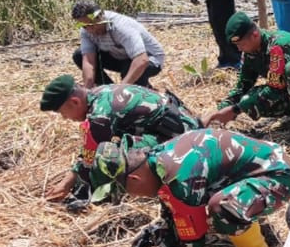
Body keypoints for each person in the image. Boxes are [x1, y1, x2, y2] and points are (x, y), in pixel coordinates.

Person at [90, 128, 290, 247]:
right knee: (206, 208)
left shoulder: (181, 178)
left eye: (127, 192)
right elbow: (172, 220)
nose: (133, 196)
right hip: (249, 173)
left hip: (276, 176)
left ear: (134, 179)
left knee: (223, 209)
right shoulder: (157, 164)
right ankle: (246, 215)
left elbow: (193, 241)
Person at [39, 75, 201, 204]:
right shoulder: (99, 93)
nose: (65, 118)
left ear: (75, 102)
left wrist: (67, 186)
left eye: (63, 113)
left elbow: (91, 157)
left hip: (183, 139)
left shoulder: (100, 115)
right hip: (179, 126)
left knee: (112, 157)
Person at [202, 12, 290, 142]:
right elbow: (243, 85)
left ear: (255, 35)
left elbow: (277, 89)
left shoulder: (279, 45)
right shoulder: (251, 53)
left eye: (242, 44)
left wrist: (237, 109)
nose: (239, 49)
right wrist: (220, 111)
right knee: (253, 97)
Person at [70, 0, 165, 88]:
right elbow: (89, 62)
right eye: (85, 26)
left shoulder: (120, 26)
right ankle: (106, 92)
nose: (90, 30)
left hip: (150, 59)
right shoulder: (86, 31)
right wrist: (87, 90)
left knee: (129, 70)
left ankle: (138, 92)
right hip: (120, 56)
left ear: (100, 16)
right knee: (79, 56)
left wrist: (120, 89)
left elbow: (142, 60)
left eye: (92, 24)